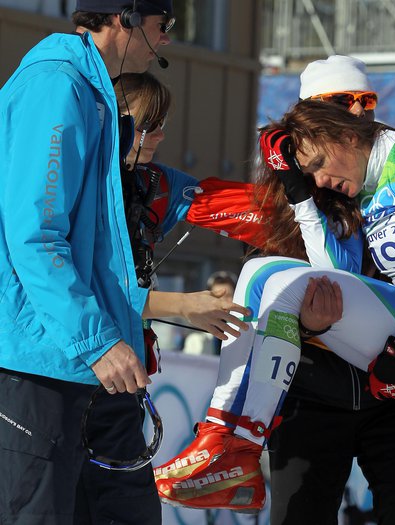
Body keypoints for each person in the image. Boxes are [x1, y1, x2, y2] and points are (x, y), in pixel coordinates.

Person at [154, 99, 395, 519]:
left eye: (319, 165)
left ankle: (230, 442)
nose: (321, 180)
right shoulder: (364, 186)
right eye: (308, 173)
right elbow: (332, 278)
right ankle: (234, 445)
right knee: (269, 274)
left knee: (262, 271)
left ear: (348, 133)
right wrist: (298, 194)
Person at [0, 1, 174, 522]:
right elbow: (35, 236)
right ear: (125, 17)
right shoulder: (58, 87)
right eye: (163, 26)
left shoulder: (90, 91)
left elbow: (96, 245)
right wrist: (98, 339)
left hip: (79, 363)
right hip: (40, 361)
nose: (165, 40)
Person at [71, 69, 252, 523]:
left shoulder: (156, 183)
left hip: (121, 382)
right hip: (57, 377)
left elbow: (241, 207)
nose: (157, 136)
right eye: (146, 125)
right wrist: (184, 307)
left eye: (161, 124)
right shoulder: (71, 183)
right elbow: (78, 288)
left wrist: (313, 198)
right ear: (110, 119)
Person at [183, 270, 239, 355]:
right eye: (218, 296)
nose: (222, 301)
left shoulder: (244, 334)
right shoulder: (195, 340)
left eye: (228, 296)